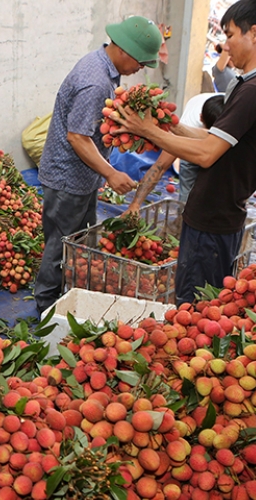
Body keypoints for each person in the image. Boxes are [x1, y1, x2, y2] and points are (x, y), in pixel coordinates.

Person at [112, 0, 256, 305]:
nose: (226, 44)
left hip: (212, 221)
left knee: (194, 306)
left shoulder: (255, 90)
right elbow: (213, 138)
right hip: (218, 219)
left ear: (254, 34)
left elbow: (207, 154)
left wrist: (147, 131)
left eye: (230, 34)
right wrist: (170, 125)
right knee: (206, 304)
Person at [33, 15, 161, 315]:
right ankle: (47, 310)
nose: (140, 68)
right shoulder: (96, 81)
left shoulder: (103, 67)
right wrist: (111, 173)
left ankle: (70, 295)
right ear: (125, 51)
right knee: (60, 246)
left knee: (78, 242)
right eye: (141, 62)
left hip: (81, 178)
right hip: (68, 179)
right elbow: (77, 137)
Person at [125, 93, 224, 212]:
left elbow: (160, 167)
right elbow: (160, 167)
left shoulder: (235, 126)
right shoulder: (188, 127)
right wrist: (135, 204)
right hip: (204, 212)